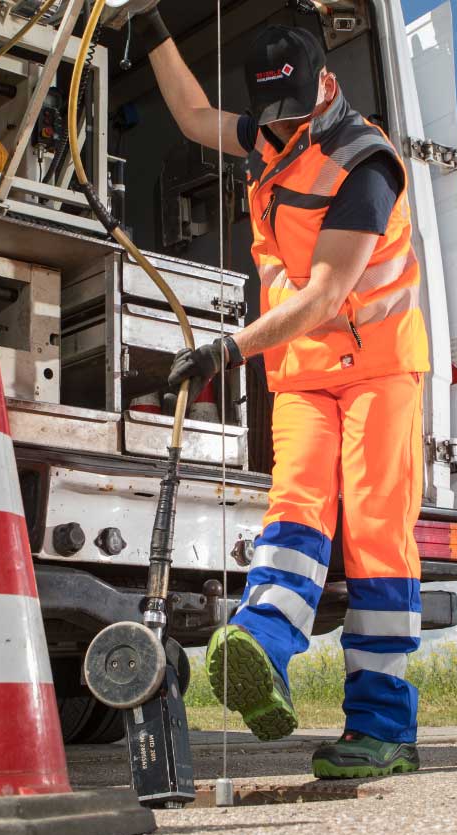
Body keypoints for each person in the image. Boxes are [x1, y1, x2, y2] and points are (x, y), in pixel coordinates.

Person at [136, 12, 430, 779]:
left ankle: (383, 728)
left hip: (378, 368)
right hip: (303, 373)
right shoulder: (269, 133)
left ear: (324, 84)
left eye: (290, 113)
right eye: (268, 117)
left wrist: (226, 350)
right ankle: (262, 647)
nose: (277, 130)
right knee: (295, 507)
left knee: (373, 537)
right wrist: (152, 23)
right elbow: (194, 117)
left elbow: (329, 291)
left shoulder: (365, 162)